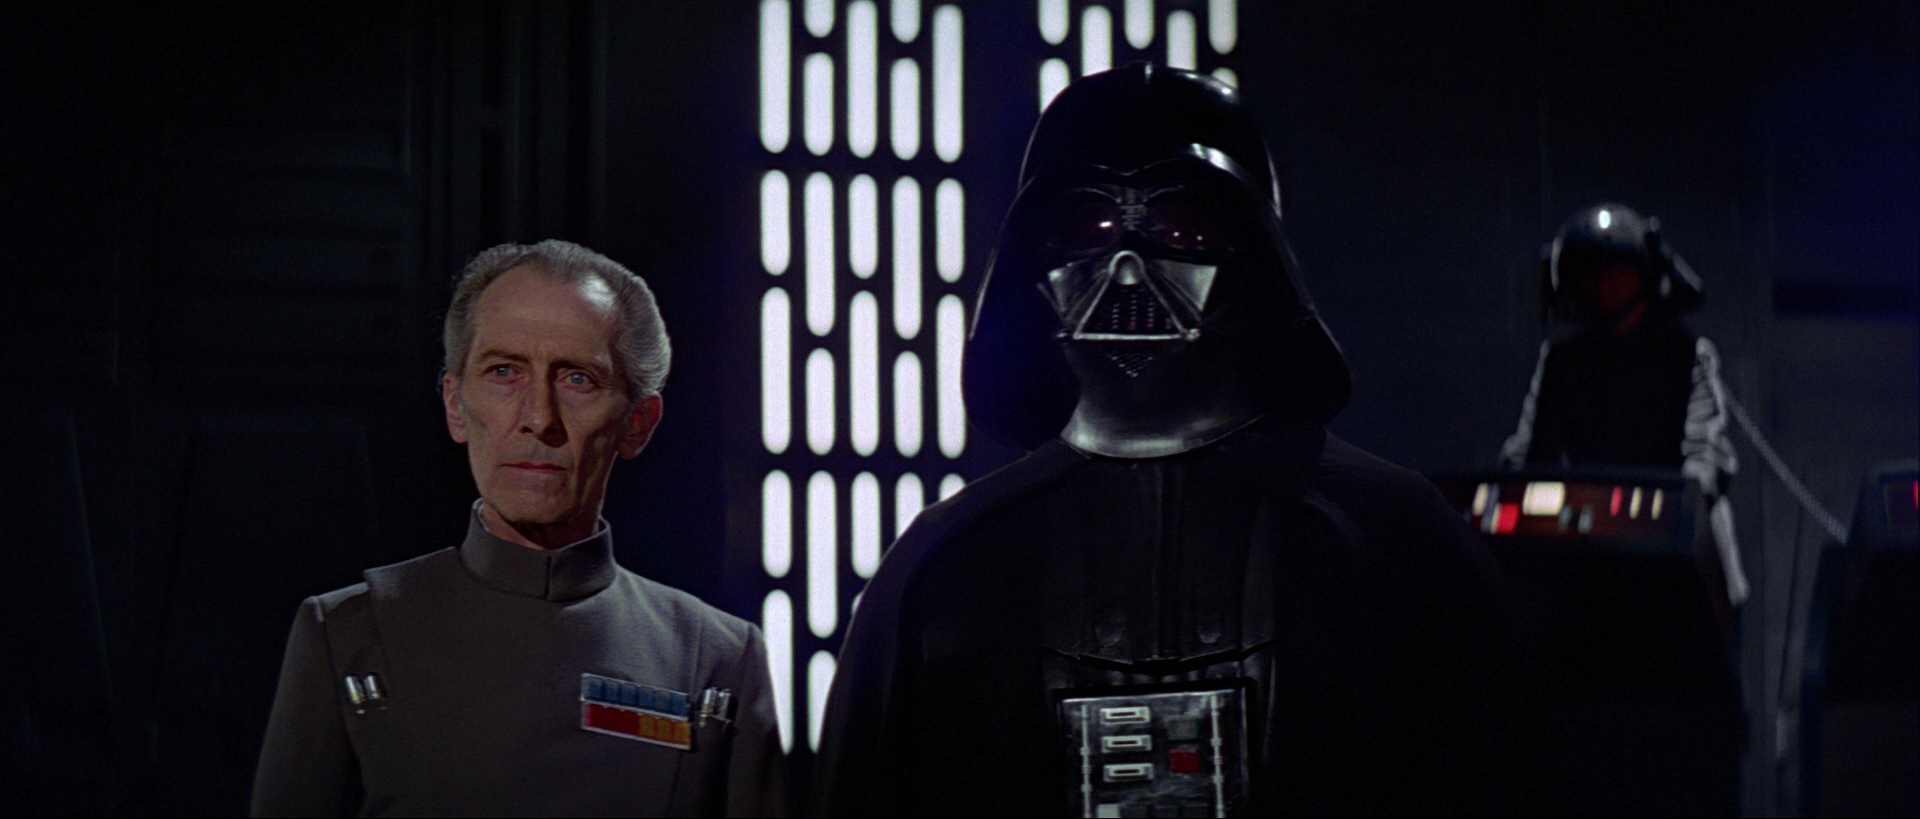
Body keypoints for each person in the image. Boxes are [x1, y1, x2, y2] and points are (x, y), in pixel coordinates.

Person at [814, 64, 1522, 816]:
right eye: (1087, 224)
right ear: (1034, 260)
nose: (1127, 270)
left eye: (1180, 226)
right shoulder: (943, 566)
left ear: (1253, 250)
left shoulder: (1395, 541)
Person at [251, 240, 784, 817]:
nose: (538, 418)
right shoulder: (348, 633)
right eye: (503, 372)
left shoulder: (719, 659)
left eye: (578, 379)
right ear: (455, 404)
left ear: (638, 422)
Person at [1499, 204, 1749, 606]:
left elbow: (1704, 453)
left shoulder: (1685, 355)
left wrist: (1667, 509)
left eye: (1616, 269)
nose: (1603, 283)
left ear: (1641, 273)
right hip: (1593, 558)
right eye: (1591, 271)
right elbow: (1530, 454)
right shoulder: (1563, 363)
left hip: (1679, 561)